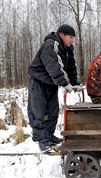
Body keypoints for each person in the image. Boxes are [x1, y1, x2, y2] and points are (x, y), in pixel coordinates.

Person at [28, 24, 81, 153]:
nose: (72, 40)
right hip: (39, 82)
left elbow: (71, 67)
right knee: (39, 112)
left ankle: (49, 136)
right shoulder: (51, 45)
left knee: (52, 111)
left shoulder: (68, 49)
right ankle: (42, 140)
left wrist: (75, 83)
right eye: (70, 37)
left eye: (73, 38)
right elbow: (54, 66)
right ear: (62, 35)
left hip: (51, 83)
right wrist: (64, 83)